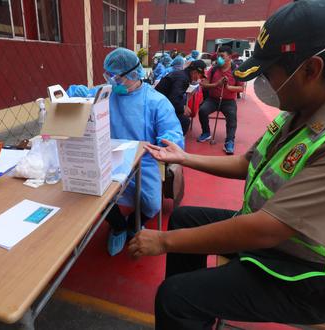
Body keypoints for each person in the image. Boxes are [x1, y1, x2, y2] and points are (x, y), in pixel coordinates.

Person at [128, 1, 325, 329]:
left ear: (310, 69)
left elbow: (269, 228)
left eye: (269, 73)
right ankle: (200, 310)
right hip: (276, 241)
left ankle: (191, 306)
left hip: (309, 275)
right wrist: (184, 157)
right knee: (182, 218)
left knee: (174, 296)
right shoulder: (307, 107)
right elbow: (252, 163)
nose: (264, 83)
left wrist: (162, 242)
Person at [75, 48, 184, 256]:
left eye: (118, 77)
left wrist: (167, 141)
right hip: (108, 158)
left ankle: (135, 224)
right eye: (110, 76)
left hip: (144, 161)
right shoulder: (106, 93)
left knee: (152, 205)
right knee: (96, 196)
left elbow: (173, 133)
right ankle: (118, 226)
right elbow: (78, 96)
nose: (113, 81)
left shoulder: (156, 101)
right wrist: (73, 94)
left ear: (135, 74)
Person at [197, 46, 244, 155]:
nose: (219, 58)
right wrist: (216, 84)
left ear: (230, 57)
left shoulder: (236, 70)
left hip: (228, 101)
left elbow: (241, 88)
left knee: (232, 117)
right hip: (213, 99)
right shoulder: (213, 69)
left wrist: (228, 87)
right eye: (218, 56)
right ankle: (206, 132)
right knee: (202, 110)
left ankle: (229, 141)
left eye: (222, 56)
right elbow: (204, 84)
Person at [155, 60, 207, 135]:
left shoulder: (182, 75)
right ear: (195, 72)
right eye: (201, 76)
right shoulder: (183, 79)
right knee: (185, 121)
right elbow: (173, 99)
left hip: (162, 103)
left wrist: (183, 106)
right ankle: (175, 142)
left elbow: (177, 96)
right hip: (159, 107)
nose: (200, 79)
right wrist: (182, 108)